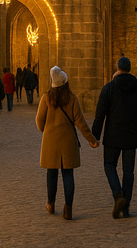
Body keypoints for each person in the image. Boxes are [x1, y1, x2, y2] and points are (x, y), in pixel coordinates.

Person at [36, 66, 99, 220]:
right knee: (68, 174)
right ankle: (68, 209)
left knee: (51, 173)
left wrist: (46, 130)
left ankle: (51, 204)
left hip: (51, 142)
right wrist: (91, 140)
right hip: (68, 141)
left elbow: (39, 120)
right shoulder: (72, 99)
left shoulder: (46, 98)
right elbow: (81, 122)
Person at [92, 55, 137, 219]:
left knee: (109, 165)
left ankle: (118, 195)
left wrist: (94, 136)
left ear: (118, 68)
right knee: (128, 171)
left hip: (113, 135)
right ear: (129, 69)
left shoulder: (109, 88)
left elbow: (100, 114)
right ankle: (126, 207)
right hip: (130, 136)